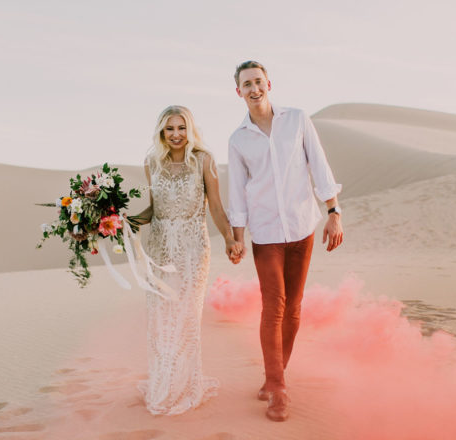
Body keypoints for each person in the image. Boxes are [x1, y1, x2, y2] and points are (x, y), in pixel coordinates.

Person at [227, 61, 344, 422]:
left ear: (269, 84)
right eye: (247, 84)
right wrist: (237, 238)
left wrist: (334, 211)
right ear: (238, 92)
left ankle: (275, 376)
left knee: (293, 307)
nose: (254, 89)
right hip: (265, 235)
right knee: (273, 306)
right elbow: (237, 193)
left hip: (302, 226)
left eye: (258, 81)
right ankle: (278, 389)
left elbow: (319, 164)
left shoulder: (297, 119)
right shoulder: (238, 140)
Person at [129, 105, 243, 415]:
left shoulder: (204, 160)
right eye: (170, 129)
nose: (176, 134)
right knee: (161, 319)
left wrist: (230, 238)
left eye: (181, 128)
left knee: (185, 319)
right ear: (162, 132)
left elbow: (215, 206)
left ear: (190, 130)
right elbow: (153, 209)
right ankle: (163, 385)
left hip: (193, 248)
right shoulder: (151, 163)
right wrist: (120, 221)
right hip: (160, 249)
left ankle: (183, 386)